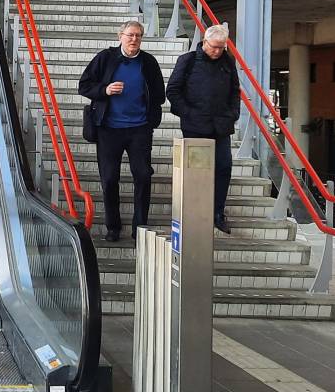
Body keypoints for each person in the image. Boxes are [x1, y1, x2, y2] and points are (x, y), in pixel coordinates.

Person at [78, 21, 165, 242]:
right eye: (130, 35)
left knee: (143, 176)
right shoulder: (105, 58)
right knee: (109, 179)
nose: (134, 39)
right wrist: (104, 90)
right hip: (109, 129)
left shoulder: (149, 62)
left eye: (138, 35)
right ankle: (113, 227)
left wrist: (150, 120)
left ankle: (140, 227)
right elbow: (84, 85)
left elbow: (159, 94)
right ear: (120, 36)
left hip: (139, 129)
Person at [165, 24, 240, 234]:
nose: (217, 51)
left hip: (221, 126)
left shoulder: (228, 61)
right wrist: (188, 113)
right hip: (195, 127)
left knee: (223, 168)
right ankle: (194, 211)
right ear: (204, 42)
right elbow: (172, 90)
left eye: (221, 47)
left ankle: (218, 212)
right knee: (196, 171)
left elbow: (235, 91)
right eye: (214, 47)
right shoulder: (188, 61)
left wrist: (233, 114)